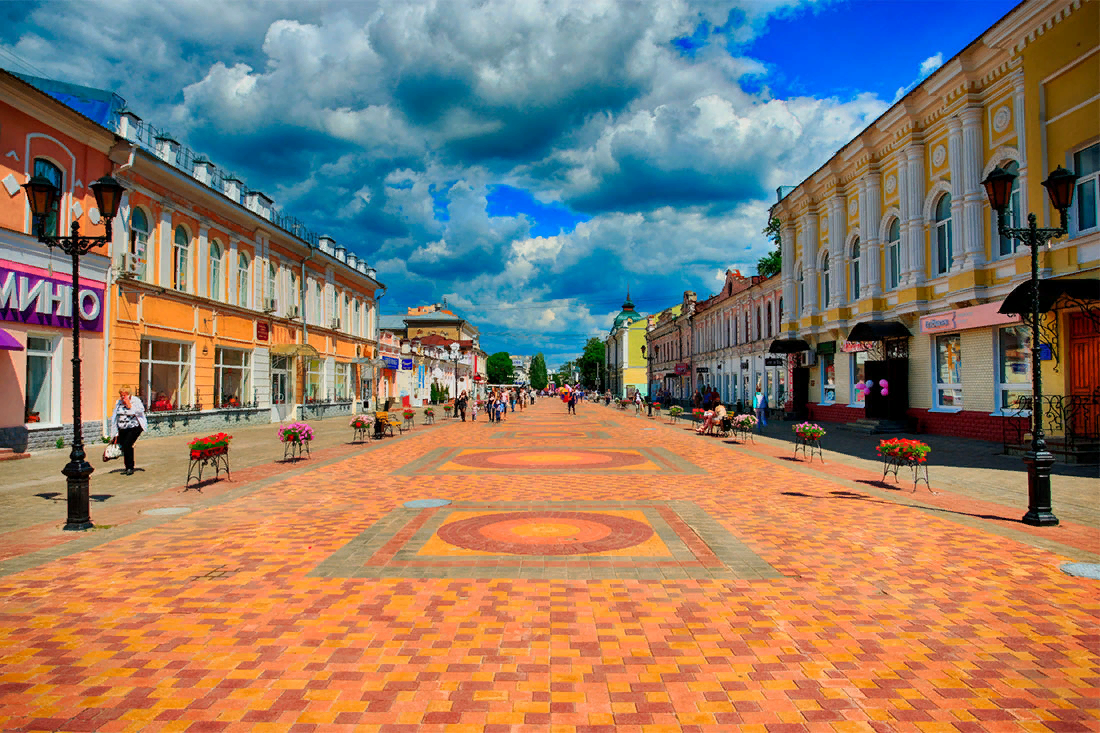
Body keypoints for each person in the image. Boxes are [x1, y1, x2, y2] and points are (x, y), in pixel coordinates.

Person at [110, 386, 147, 476]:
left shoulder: (135, 400)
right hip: (122, 427)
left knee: (127, 445)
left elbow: (141, 411)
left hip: (134, 427)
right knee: (124, 446)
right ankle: (127, 467)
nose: (122, 397)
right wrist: (114, 431)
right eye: (121, 395)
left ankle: (130, 467)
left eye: (124, 395)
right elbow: (115, 415)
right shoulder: (118, 402)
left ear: (129, 394)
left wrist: (129, 405)